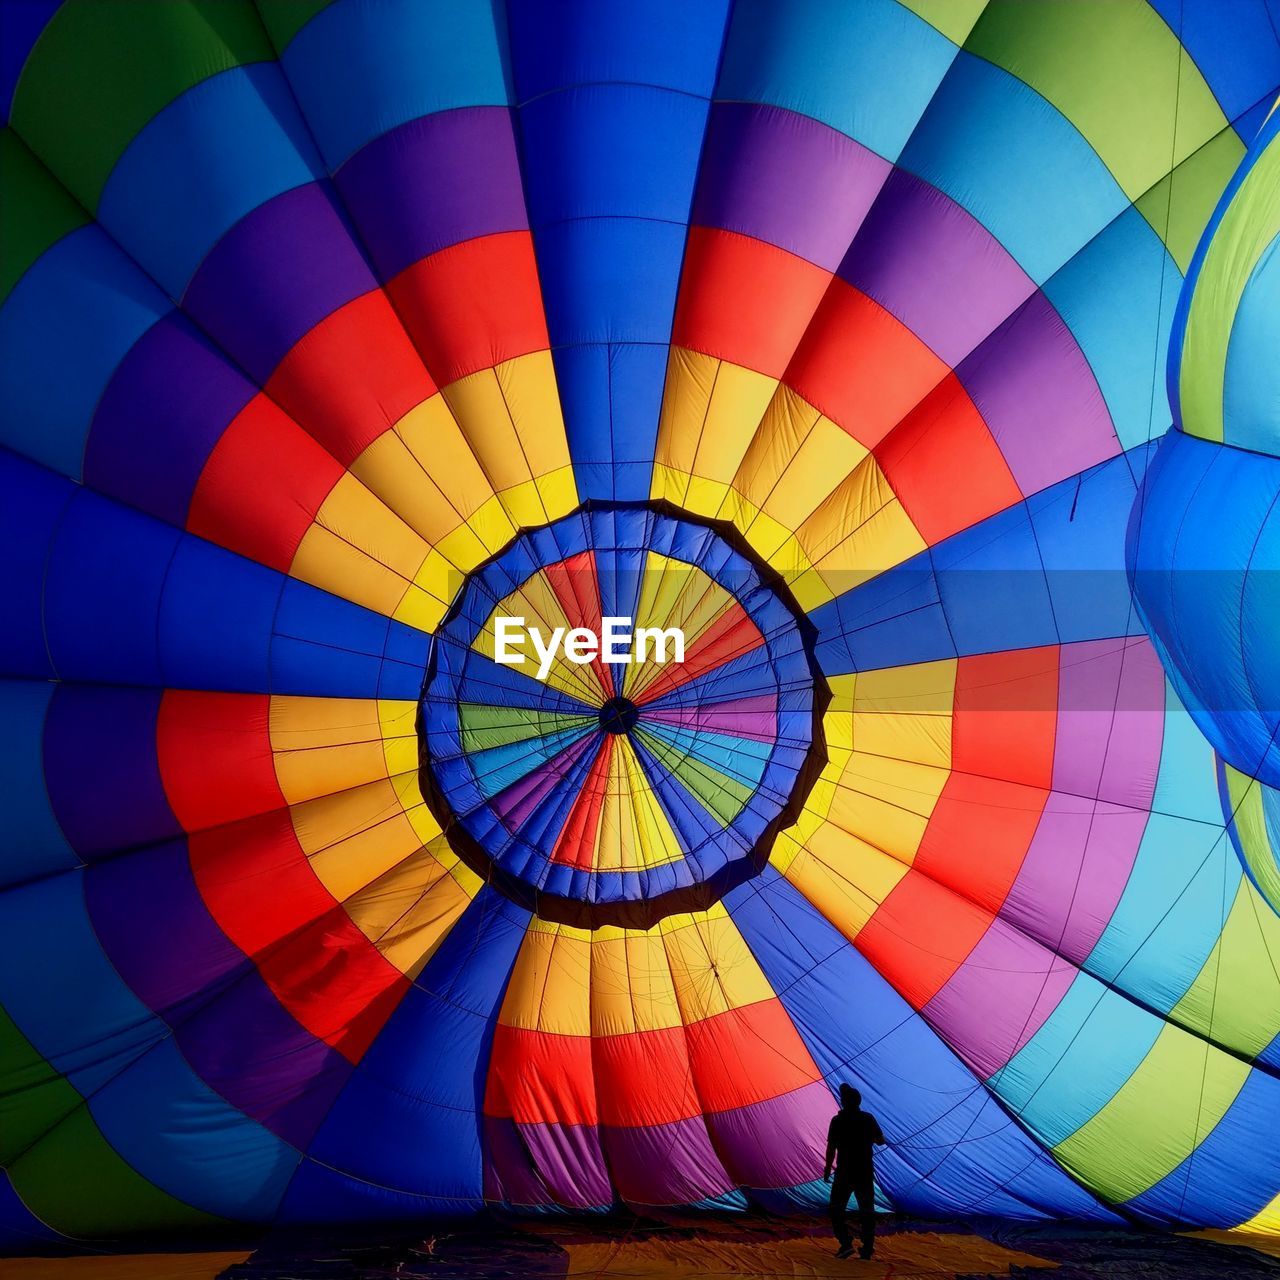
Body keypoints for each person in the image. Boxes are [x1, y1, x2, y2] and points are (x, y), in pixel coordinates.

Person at [823, 1083, 885, 1259]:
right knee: (867, 1210)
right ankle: (867, 1248)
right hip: (864, 1171)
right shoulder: (868, 1119)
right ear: (859, 1102)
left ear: (843, 1102)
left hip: (844, 1172)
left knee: (836, 1208)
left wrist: (828, 1168)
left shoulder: (838, 1121)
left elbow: (831, 1147)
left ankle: (845, 1243)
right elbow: (880, 1140)